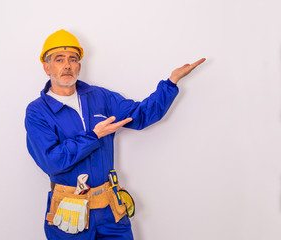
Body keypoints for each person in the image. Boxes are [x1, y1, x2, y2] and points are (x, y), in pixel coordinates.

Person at [25, 29, 205, 240]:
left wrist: (171, 83)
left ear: (79, 66)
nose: (67, 65)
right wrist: (94, 136)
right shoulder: (37, 111)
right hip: (69, 214)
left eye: (73, 59)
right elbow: (52, 161)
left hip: (110, 210)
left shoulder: (100, 97)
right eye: (59, 59)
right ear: (47, 67)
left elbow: (141, 115)